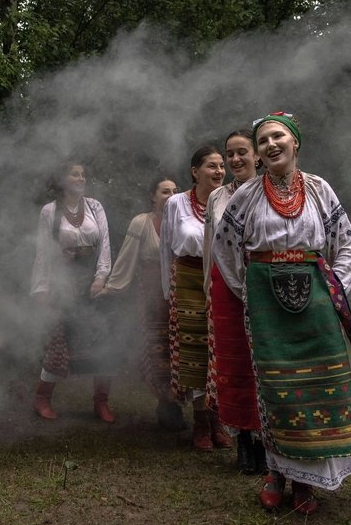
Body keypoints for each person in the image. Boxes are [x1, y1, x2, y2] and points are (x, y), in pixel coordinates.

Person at [212, 112, 351, 515]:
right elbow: (224, 248)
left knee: (317, 388)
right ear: (258, 153)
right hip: (264, 303)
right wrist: (248, 291)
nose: (271, 145)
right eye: (263, 141)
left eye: (278, 137)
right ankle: (276, 474)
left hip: (317, 302)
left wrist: (332, 291)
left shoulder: (321, 189)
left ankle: (306, 482)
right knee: (278, 390)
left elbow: (345, 243)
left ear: (295, 143)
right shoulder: (246, 196)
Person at [30, 162, 116, 423]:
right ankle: (42, 398)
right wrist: (42, 289)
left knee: (102, 340)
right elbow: (43, 252)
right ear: (62, 180)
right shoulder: (50, 210)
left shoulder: (95, 206)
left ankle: (101, 402)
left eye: (83, 174)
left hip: (91, 281)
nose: (81, 178)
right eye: (74, 174)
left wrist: (101, 277)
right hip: (62, 281)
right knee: (59, 341)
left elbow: (104, 244)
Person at [98, 176, 185, 430]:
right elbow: (127, 257)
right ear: (153, 196)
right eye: (164, 191)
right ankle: (166, 405)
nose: (170, 195)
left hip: (179, 294)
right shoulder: (141, 222)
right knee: (157, 350)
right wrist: (111, 287)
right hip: (150, 297)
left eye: (174, 191)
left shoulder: (183, 221)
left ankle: (177, 403)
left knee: (178, 349)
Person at [160, 146, 232, 451]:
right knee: (195, 356)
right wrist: (168, 291)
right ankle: (201, 421)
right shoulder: (176, 203)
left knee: (221, 353)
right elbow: (166, 248)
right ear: (195, 171)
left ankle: (219, 420)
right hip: (188, 281)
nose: (218, 171)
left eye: (221, 166)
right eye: (211, 166)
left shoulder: (230, 200)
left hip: (221, 279)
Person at [202, 129, 266, 474]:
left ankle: (266, 439)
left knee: (265, 364)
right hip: (225, 288)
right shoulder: (217, 198)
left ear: (257, 156)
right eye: (230, 154)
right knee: (235, 367)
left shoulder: (270, 190)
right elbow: (210, 244)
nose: (236, 159)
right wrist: (206, 286)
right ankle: (243, 439)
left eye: (242, 152)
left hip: (263, 286)